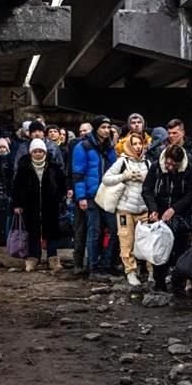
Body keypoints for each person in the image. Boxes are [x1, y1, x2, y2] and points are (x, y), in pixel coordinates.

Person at [143, 144, 192, 296]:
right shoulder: (156, 167)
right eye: (168, 163)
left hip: (181, 216)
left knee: (181, 252)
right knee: (160, 251)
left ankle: (178, 285)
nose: (170, 167)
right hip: (160, 214)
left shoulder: (188, 169)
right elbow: (147, 189)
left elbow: (191, 193)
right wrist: (153, 209)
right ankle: (160, 283)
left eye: (174, 165)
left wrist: (175, 208)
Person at [101, 133, 150, 286]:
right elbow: (106, 179)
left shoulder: (148, 163)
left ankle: (150, 272)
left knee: (146, 242)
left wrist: (144, 178)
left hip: (143, 208)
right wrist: (124, 176)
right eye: (134, 143)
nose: (137, 146)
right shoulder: (122, 161)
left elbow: (154, 183)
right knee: (126, 240)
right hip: (125, 209)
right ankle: (130, 271)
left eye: (139, 143)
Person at [13, 139, 67, 272]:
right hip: (30, 204)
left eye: (40, 151)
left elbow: (61, 183)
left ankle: (53, 258)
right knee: (33, 231)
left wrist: (60, 197)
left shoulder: (53, 166)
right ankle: (33, 257)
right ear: (31, 152)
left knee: (51, 231)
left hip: (50, 204)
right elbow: (16, 187)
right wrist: (17, 204)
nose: (38, 154)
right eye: (35, 151)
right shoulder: (24, 167)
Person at [73, 116, 118, 276]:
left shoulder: (109, 147)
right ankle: (93, 266)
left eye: (108, 127)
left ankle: (106, 263)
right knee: (94, 231)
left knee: (113, 229)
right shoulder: (82, 146)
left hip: (107, 194)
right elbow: (78, 173)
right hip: (91, 195)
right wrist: (81, 197)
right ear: (96, 128)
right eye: (103, 127)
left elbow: (115, 168)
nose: (107, 130)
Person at [67, 122, 93, 275]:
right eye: (81, 130)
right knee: (80, 229)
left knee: (93, 231)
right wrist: (72, 189)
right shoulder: (75, 146)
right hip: (80, 193)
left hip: (94, 194)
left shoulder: (97, 147)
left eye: (86, 130)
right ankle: (78, 262)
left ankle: (91, 263)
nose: (83, 133)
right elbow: (72, 171)